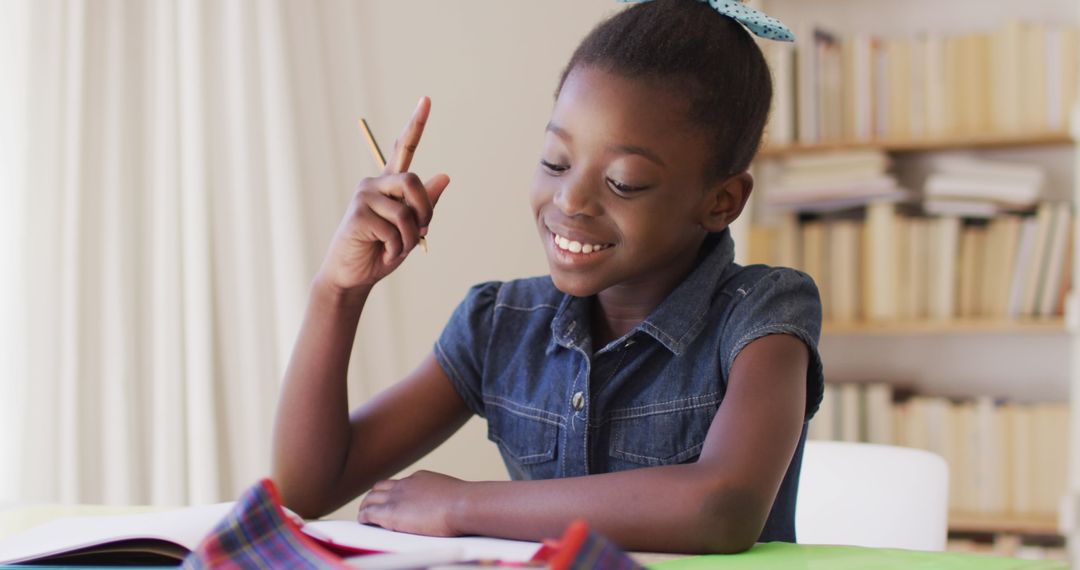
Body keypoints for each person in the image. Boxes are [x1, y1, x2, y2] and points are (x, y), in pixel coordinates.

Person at [272, 0, 823, 554]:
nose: (570, 199)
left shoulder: (765, 315)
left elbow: (720, 507)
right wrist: (339, 289)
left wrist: (463, 506)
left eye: (624, 182)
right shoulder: (499, 326)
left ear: (722, 201)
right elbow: (305, 490)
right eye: (556, 162)